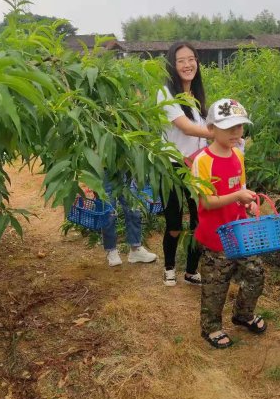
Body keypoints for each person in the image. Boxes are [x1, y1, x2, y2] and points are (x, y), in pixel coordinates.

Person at [191, 99, 267, 349]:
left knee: (255, 273)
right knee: (216, 284)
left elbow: (240, 186)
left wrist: (248, 203)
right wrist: (237, 196)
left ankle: (243, 314)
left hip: (239, 230)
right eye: (229, 127)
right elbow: (207, 201)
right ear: (211, 129)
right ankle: (211, 327)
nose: (236, 132)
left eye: (240, 126)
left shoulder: (238, 154)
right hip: (216, 235)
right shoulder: (203, 161)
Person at [157, 41, 212, 287]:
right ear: (172, 65)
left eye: (191, 59)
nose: (188, 65)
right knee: (174, 223)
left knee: (199, 220)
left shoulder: (196, 95)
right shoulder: (166, 93)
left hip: (197, 166)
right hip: (172, 165)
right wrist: (220, 134)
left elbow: (202, 128)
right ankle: (169, 267)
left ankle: (191, 271)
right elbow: (186, 128)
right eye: (181, 61)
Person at [102, 178, 157, 267]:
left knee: (133, 209)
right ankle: (111, 251)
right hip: (105, 175)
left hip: (125, 174)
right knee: (109, 214)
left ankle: (135, 249)